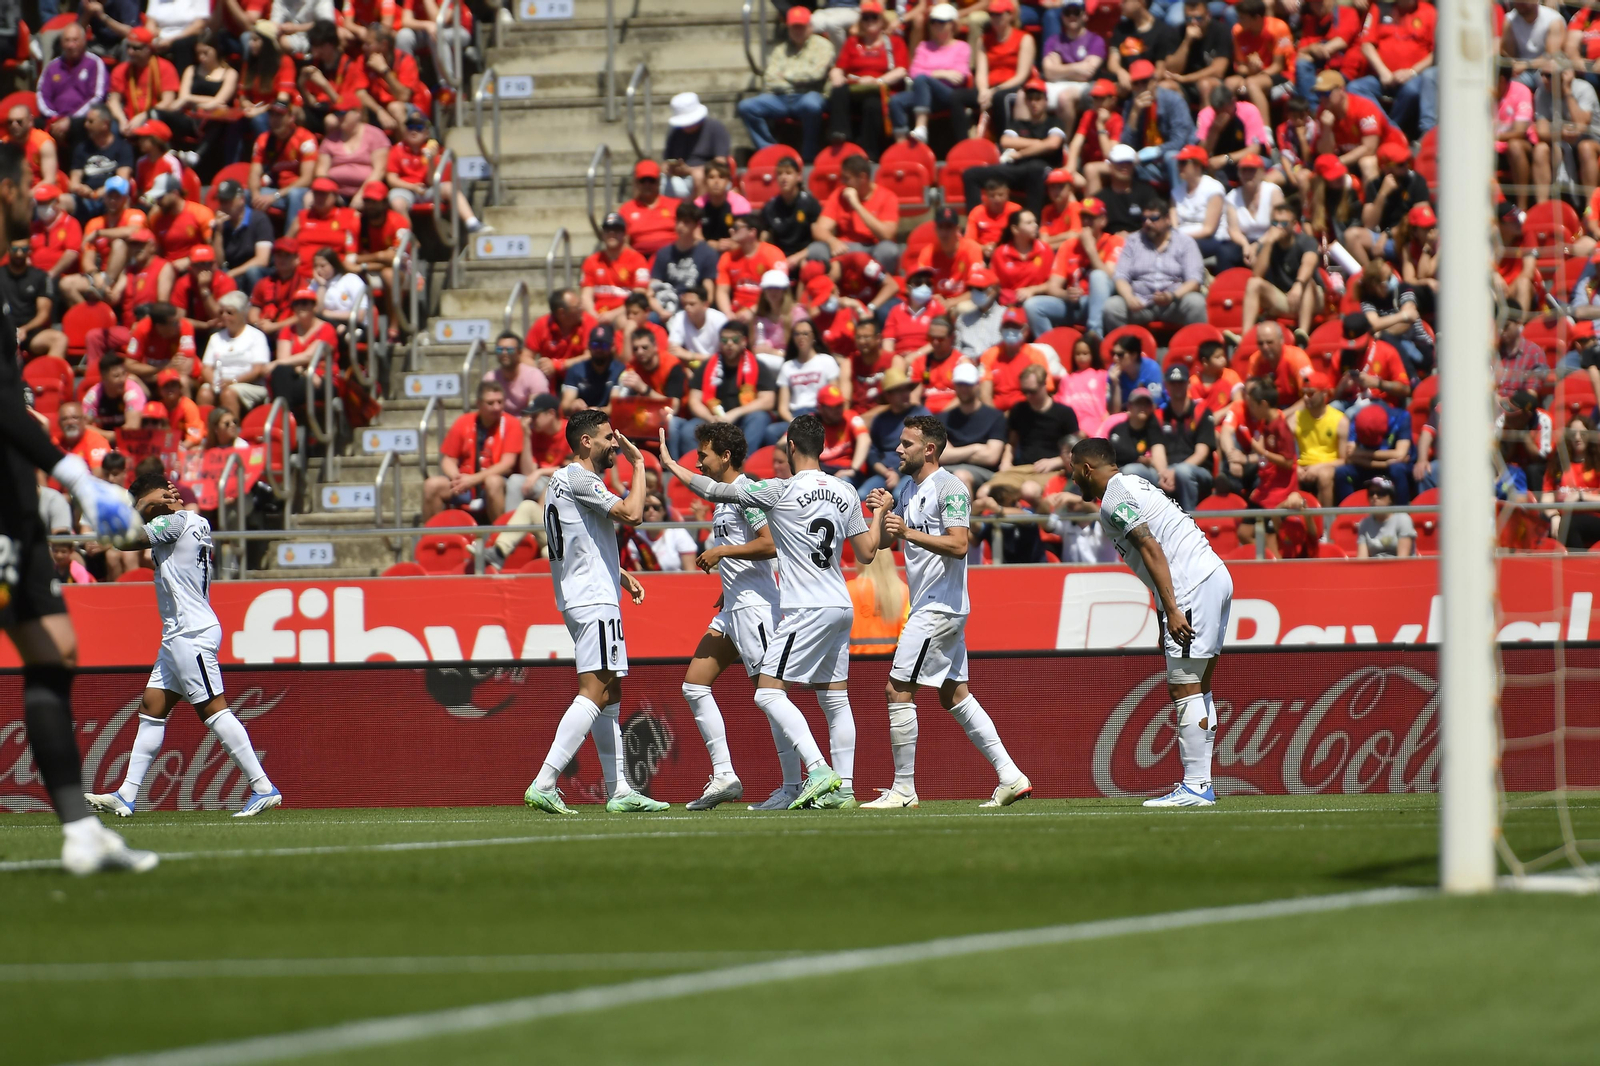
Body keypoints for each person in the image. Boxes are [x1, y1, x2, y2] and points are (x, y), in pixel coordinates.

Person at [0, 136, 154, 874]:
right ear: (6, 193)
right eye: (29, 186)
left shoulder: (8, 287)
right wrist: (76, 475)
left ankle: (80, 831)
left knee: (57, 650)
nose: (40, 200)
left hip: (15, 507)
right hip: (8, 505)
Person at [660, 415, 890, 811]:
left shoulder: (778, 490)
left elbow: (714, 490)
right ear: (822, 447)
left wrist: (670, 465)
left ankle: (813, 773)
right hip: (840, 603)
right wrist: (881, 513)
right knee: (835, 701)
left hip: (803, 606)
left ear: (790, 448)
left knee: (768, 691)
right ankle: (845, 788)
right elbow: (869, 552)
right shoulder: (846, 489)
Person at [85, 474, 282, 820]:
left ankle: (263, 786)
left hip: (190, 632)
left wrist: (142, 508)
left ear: (156, 499)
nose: (143, 514)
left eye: (144, 505)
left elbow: (127, 539)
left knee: (213, 710)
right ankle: (127, 794)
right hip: (178, 633)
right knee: (152, 706)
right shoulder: (192, 521)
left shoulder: (173, 521)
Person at [862, 416, 1031, 810]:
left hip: (940, 606)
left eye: (906, 444)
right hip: (931, 605)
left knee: (897, 690)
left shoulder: (951, 488)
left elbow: (959, 545)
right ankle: (1011, 775)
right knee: (954, 694)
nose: (898, 450)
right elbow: (883, 543)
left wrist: (907, 532)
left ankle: (904, 789)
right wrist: (882, 511)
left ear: (930, 449)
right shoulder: (907, 488)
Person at [1070, 435, 1232, 807]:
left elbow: (1150, 547)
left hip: (1189, 586)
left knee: (1184, 687)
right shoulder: (1134, 483)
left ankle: (1194, 787)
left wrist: (1173, 608)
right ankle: (1202, 784)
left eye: (1073, 470)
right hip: (1212, 575)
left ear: (1086, 468)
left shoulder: (1114, 497)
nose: (1072, 478)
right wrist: (1164, 612)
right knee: (1199, 685)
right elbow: (1152, 554)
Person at [522, 410, 666, 815]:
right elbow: (633, 514)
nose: (615, 444)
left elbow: (577, 539)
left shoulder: (559, 483)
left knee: (611, 694)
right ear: (586, 441)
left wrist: (619, 574)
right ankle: (545, 781)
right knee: (595, 690)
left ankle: (619, 788)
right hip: (592, 598)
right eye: (607, 437)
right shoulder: (581, 477)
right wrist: (639, 465)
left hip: (582, 594)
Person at [672, 422, 782, 809]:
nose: (699, 461)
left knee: (771, 696)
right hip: (734, 608)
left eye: (703, 454)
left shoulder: (745, 493)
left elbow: (770, 544)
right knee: (694, 685)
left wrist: (721, 555)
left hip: (756, 609)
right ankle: (724, 776)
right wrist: (727, 585)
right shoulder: (723, 497)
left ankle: (798, 781)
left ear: (725, 456)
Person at [739, 7, 834, 163]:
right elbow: (769, 78)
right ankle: (769, 151)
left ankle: (809, 154)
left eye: (801, 26)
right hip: (781, 97)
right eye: (794, 27)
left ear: (810, 26)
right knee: (746, 106)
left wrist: (786, 76)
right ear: (788, 28)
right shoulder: (780, 50)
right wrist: (798, 79)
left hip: (810, 95)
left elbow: (816, 74)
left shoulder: (823, 46)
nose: (797, 30)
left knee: (811, 105)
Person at [1102, 199, 1207, 332]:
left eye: (1154, 218)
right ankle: (1124, 349)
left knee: (1196, 302)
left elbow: (1194, 280)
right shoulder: (1133, 241)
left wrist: (1172, 296)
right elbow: (1121, 275)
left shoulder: (1185, 242)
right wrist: (1129, 298)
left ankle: (1197, 347)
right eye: (1144, 219)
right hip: (1140, 304)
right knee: (1112, 307)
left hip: (1173, 304)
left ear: (1167, 219)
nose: (1147, 223)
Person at [681, 319, 777, 456]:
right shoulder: (708, 365)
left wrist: (736, 412)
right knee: (688, 429)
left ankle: (744, 467)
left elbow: (768, 400)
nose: (729, 344)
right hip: (713, 419)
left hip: (743, 418)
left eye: (735, 340)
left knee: (759, 418)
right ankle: (697, 471)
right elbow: (694, 400)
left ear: (744, 341)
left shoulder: (757, 365)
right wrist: (710, 418)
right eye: (724, 340)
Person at [825, 1, 906, 159]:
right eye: (865, 18)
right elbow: (839, 67)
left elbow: (901, 70)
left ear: (882, 20)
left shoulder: (894, 42)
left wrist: (877, 81)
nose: (869, 21)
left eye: (874, 17)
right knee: (838, 90)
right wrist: (836, 75)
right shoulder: (853, 42)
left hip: (881, 89)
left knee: (872, 104)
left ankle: (870, 153)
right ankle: (840, 137)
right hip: (855, 87)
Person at [889, 5, 975, 146]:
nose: (937, 25)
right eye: (933, 21)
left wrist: (930, 75)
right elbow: (914, 72)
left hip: (949, 95)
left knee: (924, 79)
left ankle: (921, 126)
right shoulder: (924, 46)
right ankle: (901, 146)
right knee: (896, 101)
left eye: (941, 22)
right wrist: (942, 73)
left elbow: (960, 76)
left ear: (952, 24)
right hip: (924, 94)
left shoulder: (962, 47)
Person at [1239, 196, 1320, 337]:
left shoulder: (1306, 241)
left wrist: (1298, 284)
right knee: (1253, 283)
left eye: (1284, 223)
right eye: (1275, 222)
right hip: (1286, 298)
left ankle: (1303, 335)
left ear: (1294, 224)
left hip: (1311, 298)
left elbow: (1309, 262)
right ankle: (1246, 337)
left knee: (1308, 282)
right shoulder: (1269, 245)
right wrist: (1268, 243)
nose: (1279, 227)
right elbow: (1257, 274)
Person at [810, 153, 901, 276]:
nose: (842, 182)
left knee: (889, 250)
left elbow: (887, 235)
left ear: (862, 178)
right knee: (817, 249)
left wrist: (857, 205)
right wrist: (832, 241)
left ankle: (881, 289)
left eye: (846, 178)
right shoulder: (839, 195)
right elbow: (819, 229)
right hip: (845, 248)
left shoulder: (888, 197)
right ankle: (826, 291)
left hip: (873, 249)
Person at [200, 291, 273, 418]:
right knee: (204, 392)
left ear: (242, 313)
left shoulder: (256, 336)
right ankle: (204, 433)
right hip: (220, 383)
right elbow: (206, 368)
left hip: (249, 384)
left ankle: (231, 433)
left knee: (228, 393)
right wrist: (215, 382)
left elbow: (258, 370)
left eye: (230, 312)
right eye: (221, 312)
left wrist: (233, 381)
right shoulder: (215, 338)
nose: (224, 316)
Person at [1171, 144, 1241, 270]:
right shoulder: (1176, 192)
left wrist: (1176, 237)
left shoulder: (1213, 188)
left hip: (1212, 240)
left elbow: (1208, 230)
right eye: (1178, 163)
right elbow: (1174, 224)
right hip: (1182, 238)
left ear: (1197, 165)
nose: (1178, 167)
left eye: (1183, 163)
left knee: (1178, 247)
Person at [1159, 364, 1216, 511]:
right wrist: (1164, 473)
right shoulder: (1159, 415)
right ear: (1166, 385)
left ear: (1189, 384)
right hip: (1166, 469)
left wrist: (1175, 471)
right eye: (1173, 383)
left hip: (1197, 470)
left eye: (1181, 382)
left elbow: (1201, 453)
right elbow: (1156, 448)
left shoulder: (1202, 412)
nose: (1177, 386)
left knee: (1182, 472)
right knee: (1134, 471)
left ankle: (1189, 523)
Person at [1, 239, 68, 362]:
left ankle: (48, 378)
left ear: (30, 251)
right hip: (4, 330)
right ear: (8, 250)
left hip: (30, 332)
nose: (19, 254)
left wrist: (25, 329)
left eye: (24, 249)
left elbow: (43, 313)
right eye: (15, 249)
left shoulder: (40, 277)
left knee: (59, 339)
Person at [66, 106, 133, 227]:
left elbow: (122, 180)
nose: (86, 125)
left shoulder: (123, 147)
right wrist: (80, 189)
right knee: (62, 201)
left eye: (91, 121)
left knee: (123, 200)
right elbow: (73, 182)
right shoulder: (82, 148)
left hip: (110, 197)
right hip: (85, 198)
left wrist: (96, 194)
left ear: (105, 124)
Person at [1292, 372, 1349, 508]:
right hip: (1303, 465)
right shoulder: (1296, 418)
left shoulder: (1340, 420)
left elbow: (1344, 459)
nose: (1305, 398)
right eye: (1303, 393)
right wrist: (1295, 467)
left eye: (1311, 393)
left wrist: (1319, 466)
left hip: (1328, 465)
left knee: (1324, 475)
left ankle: (1325, 522)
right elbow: (1287, 452)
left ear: (1324, 394)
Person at [662, 91, 733, 200]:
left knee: (699, 176)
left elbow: (720, 163)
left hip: (706, 176)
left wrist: (691, 170)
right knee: (649, 176)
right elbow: (670, 158)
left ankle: (700, 213)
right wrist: (671, 166)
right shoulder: (675, 133)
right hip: (679, 176)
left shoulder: (715, 128)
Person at [561, 323, 625, 415]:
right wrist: (573, 405)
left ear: (612, 347)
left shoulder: (619, 370)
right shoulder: (576, 370)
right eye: (595, 345)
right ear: (589, 347)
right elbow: (565, 405)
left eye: (604, 345)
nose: (599, 349)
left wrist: (596, 411)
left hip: (608, 421)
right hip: (582, 421)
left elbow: (615, 407)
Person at [485, 331, 551, 418]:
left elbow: (536, 411)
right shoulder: (490, 378)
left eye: (509, 349)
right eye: (500, 349)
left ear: (520, 352)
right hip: (499, 425)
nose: (504, 353)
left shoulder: (534, 376)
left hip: (528, 425)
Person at [667, 280, 728, 362]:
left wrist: (690, 355)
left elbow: (726, 355)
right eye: (685, 304)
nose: (687, 308)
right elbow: (673, 350)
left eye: (692, 304)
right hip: (691, 366)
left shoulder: (720, 319)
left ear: (705, 305)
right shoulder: (680, 317)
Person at [1355, 476, 1415, 558]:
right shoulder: (1364, 523)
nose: (1374, 497)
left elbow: (1403, 559)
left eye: (1380, 493)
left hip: (1398, 569)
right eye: (1371, 493)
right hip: (1374, 569)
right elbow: (1362, 559)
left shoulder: (1403, 520)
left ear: (1390, 498)